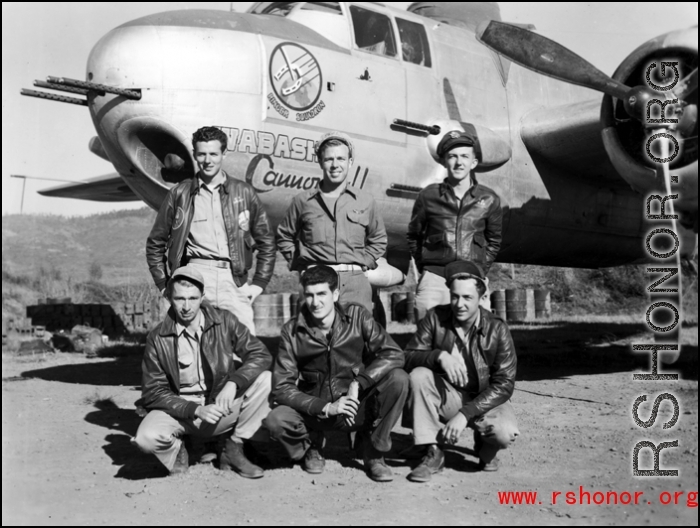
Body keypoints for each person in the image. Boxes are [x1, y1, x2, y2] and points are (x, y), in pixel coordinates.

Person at [264, 265, 408, 482]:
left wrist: (359, 382)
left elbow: (393, 353)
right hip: (316, 410)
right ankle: (310, 446)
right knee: (277, 419)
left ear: (335, 294)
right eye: (310, 295)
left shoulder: (358, 316)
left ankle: (374, 450)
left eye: (322, 294)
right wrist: (325, 408)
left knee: (398, 379)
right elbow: (282, 388)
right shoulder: (292, 331)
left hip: (355, 405)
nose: (315, 302)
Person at [132, 265, 273, 478]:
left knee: (266, 380)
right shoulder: (157, 338)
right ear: (169, 298)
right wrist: (195, 410)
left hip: (219, 408)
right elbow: (153, 392)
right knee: (146, 438)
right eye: (180, 299)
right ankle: (178, 450)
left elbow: (260, 355)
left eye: (192, 298)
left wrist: (233, 382)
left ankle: (233, 447)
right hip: (180, 413)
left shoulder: (225, 321)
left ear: (202, 297)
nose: (187, 306)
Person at [146, 126, 276, 334]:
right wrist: (164, 285)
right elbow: (156, 243)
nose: (208, 160)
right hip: (193, 276)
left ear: (224, 154)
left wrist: (258, 283)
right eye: (202, 154)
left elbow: (266, 241)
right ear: (195, 155)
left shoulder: (243, 192)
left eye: (214, 154)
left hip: (232, 279)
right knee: (186, 349)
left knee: (246, 351)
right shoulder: (180, 194)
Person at [404, 260, 519, 482]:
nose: (459, 304)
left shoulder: (497, 328)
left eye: (467, 298)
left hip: (486, 399)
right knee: (418, 375)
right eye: (455, 296)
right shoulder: (435, 317)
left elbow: (504, 383)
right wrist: (438, 356)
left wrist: (464, 415)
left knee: (503, 433)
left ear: (481, 298)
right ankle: (433, 452)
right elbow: (408, 356)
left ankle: (485, 448)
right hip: (451, 396)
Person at [276, 131, 386, 312]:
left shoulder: (365, 201)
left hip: (355, 284)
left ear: (350, 162)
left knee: (357, 336)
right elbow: (284, 236)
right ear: (320, 162)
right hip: (316, 282)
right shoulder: (302, 201)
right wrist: (301, 266)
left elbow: (379, 239)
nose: (335, 165)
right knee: (315, 337)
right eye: (329, 159)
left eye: (341, 159)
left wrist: (362, 263)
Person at [407, 128, 502, 321]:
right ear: (443, 161)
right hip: (435, 279)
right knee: (430, 342)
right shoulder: (428, 196)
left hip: (472, 279)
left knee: (474, 342)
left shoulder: (489, 198)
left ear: (473, 162)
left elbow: (494, 241)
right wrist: (428, 269)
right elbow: (414, 236)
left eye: (465, 156)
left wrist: (479, 269)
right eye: (452, 156)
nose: (459, 162)